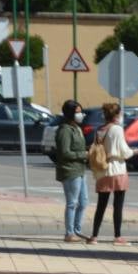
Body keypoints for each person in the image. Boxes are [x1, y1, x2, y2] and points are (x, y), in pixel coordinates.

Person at [88, 102, 132, 245]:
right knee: (118, 205)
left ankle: (94, 235)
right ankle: (117, 236)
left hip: (103, 170)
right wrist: (134, 152)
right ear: (117, 114)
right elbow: (124, 151)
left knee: (101, 205)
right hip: (117, 168)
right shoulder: (117, 129)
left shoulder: (99, 129)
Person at [53, 100, 88, 242]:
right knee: (72, 202)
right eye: (77, 112)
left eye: (80, 112)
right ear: (70, 114)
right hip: (69, 170)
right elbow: (64, 152)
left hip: (80, 169)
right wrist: (83, 154)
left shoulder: (77, 128)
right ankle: (69, 233)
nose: (80, 115)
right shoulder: (65, 130)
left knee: (84, 202)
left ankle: (77, 230)